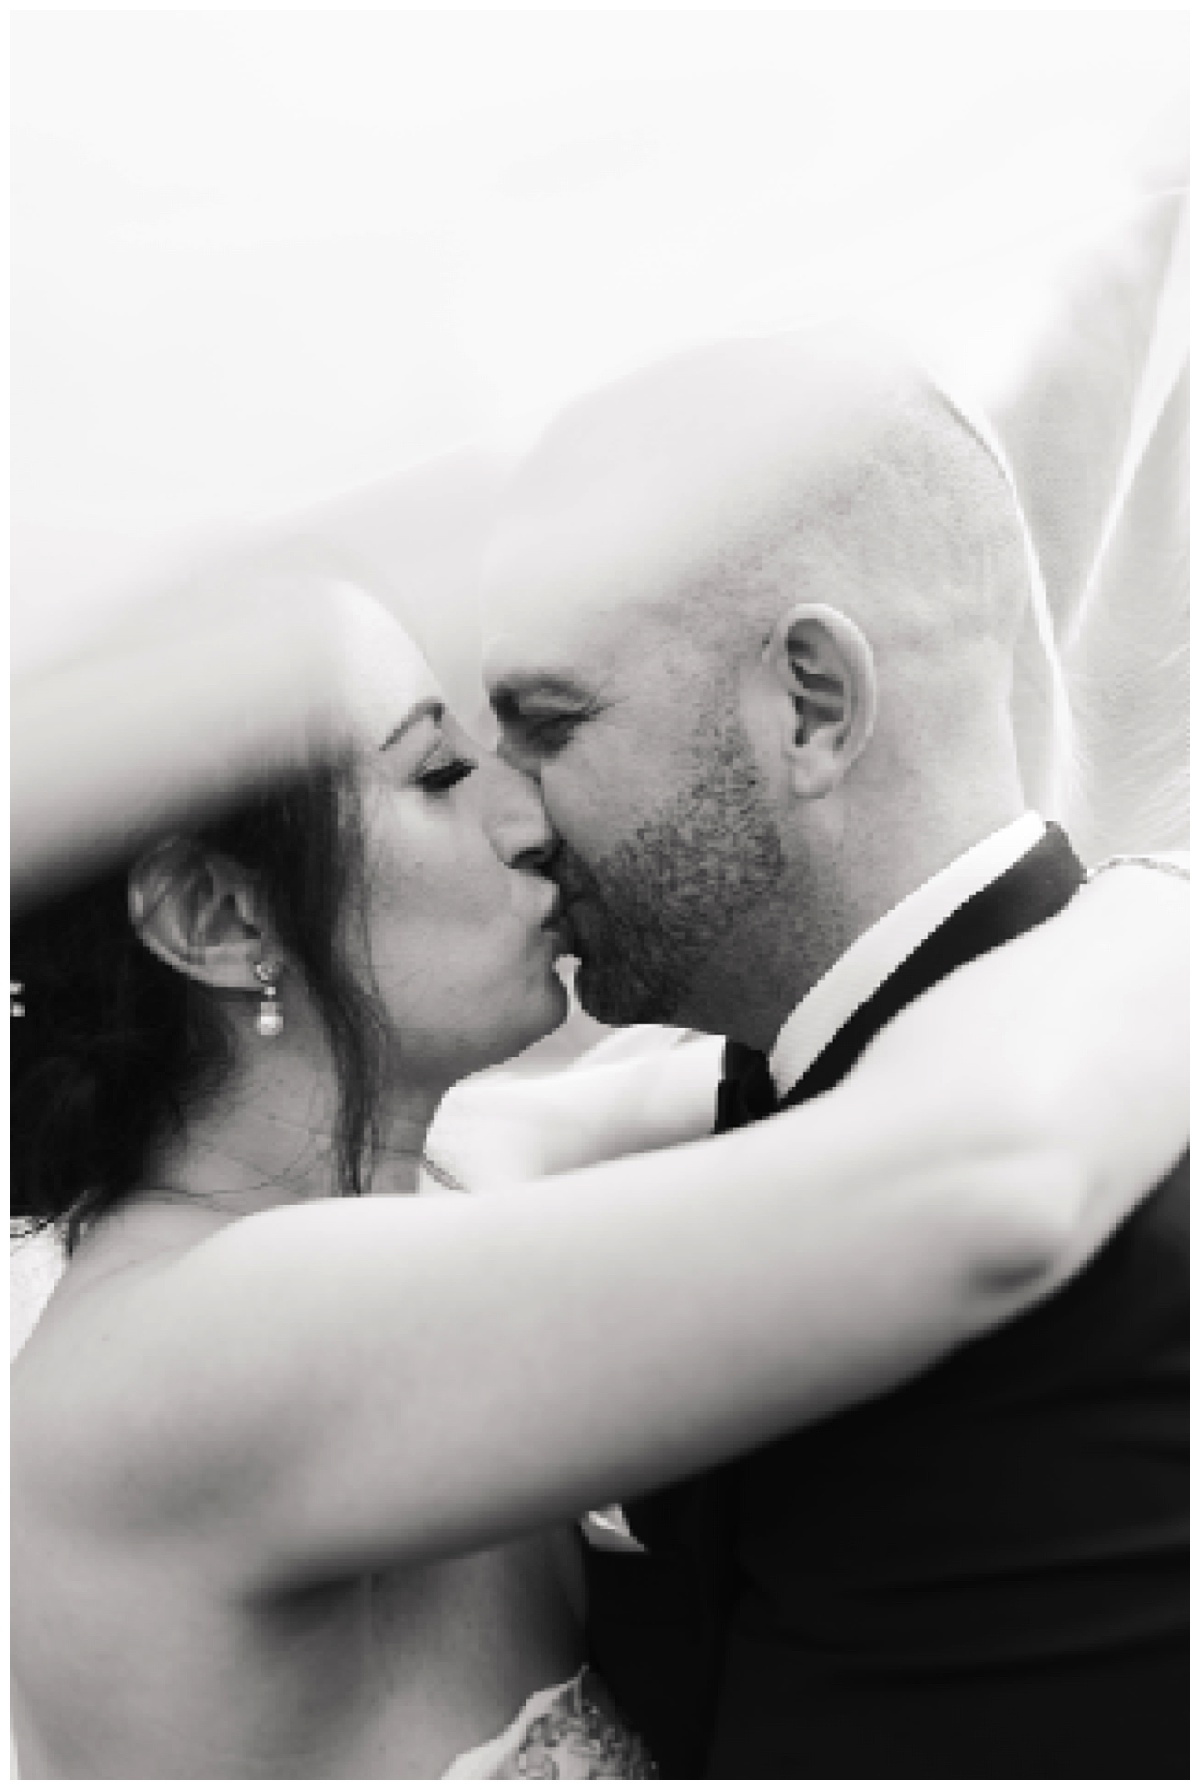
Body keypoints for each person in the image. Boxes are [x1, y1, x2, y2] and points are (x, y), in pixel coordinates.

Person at [10, 584, 1188, 1780]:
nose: (529, 814)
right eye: (435, 771)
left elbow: (800, 1042)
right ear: (218, 914)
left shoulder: (426, 1191)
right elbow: (985, 1179)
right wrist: (1169, 894)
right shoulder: (189, 1357)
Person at [481, 325, 1191, 1777]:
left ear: (812, 705)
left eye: (548, 725)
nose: (510, 815)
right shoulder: (774, 1095)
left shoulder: (1067, 1320)